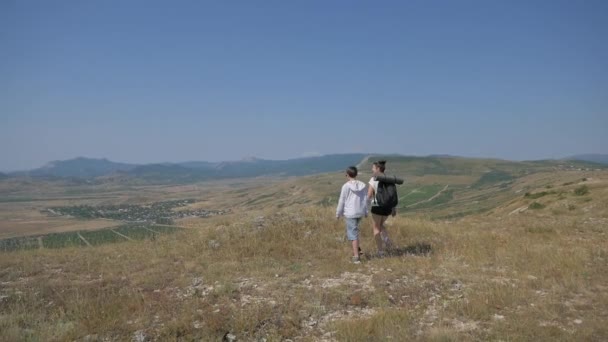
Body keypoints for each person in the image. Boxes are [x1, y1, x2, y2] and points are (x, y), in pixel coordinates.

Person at [336, 166, 368, 264]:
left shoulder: (346, 186)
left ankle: (356, 257)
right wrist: (366, 211)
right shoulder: (363, 185)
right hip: (359, 212)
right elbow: (366, 199)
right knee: (355, 232)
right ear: (356, 174)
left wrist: (338, 213)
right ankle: (357, 250)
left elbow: (342, 201)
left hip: (350, 213)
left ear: (347, 175)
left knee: (352, 234)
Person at [367, 160, 396, 257]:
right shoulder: (390, 179)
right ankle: (388, 242)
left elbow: (369, 195)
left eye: (373, 168)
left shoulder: (374, 179)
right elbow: (392, 194)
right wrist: (393, 208)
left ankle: (380, 251)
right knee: (381, 225)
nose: (372, 169)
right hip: (387, 208)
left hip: (377, 206)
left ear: (378, 169)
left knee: (376, 228)